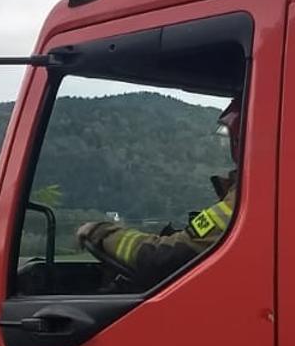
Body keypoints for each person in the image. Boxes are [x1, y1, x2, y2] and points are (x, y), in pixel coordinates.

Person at [75, 99, 244, 285]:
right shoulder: (251, 201)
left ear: (239, 141)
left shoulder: (241, 203)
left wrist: (101, 233)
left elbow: (164, 258)